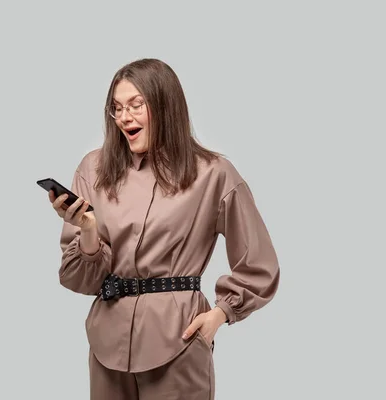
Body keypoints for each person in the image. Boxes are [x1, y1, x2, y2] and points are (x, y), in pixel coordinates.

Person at [47, 58, 280, 400]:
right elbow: (77, 279)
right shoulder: (93, 169)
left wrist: (221, 313)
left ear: (165, 105)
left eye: (136, 105)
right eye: (116, 108)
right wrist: (88, 229)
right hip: (106, 346)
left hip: (179, 341)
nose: (124, 117)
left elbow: (259, 264)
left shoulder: (213, 173)